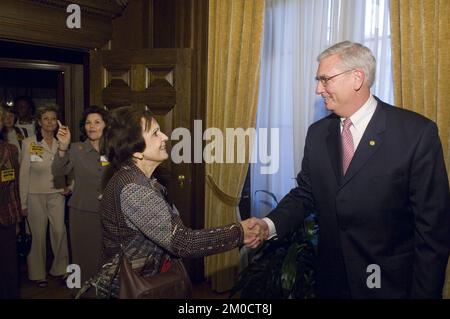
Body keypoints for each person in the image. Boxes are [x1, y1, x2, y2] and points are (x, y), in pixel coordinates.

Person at [247, 41, 450, 298]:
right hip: (332, 282)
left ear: (357, 78)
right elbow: (306, 194)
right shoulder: (318, 134)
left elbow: (433, 231)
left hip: (388, 285)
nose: (318, 89)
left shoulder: (416, 134)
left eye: (325, 79)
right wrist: (268, 225)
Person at [90, 106, 259, 298]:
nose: (165, 137)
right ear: (136, 151)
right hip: (132, 289)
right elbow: (183, 242)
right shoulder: (134, 190)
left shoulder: (136, 179)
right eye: (155, 133)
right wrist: (239, 232)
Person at [52, 106, 109, 284]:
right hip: (82, 212)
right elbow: (58, 170)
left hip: (109, 213)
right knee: (81, 256)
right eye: (88, 123)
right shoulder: (77, 149)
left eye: (97, 122)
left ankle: (105, 291)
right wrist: (62, 147)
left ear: (106, 125)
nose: (92, 126)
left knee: (106, 256)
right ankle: (80, 292)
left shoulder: (115, 150)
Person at [19, 105, 70, 287]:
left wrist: (68, 185)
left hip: (56, 194)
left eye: (53, 119)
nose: (50, 122)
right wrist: (22, 203)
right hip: (34, 195)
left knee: (59, 231)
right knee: (38, 234)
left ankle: (61, 269)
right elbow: (23, 174)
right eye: (46, 118)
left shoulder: (62, 142)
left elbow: (68, 168)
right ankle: (37, 274)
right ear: (39, 121)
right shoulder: (29, 143)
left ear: (57, 123)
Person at [0, 106, 23, 299]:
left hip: (5, 218)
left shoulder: (10, 150)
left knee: (8, 269)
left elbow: (14, 187)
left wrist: (16, 220)